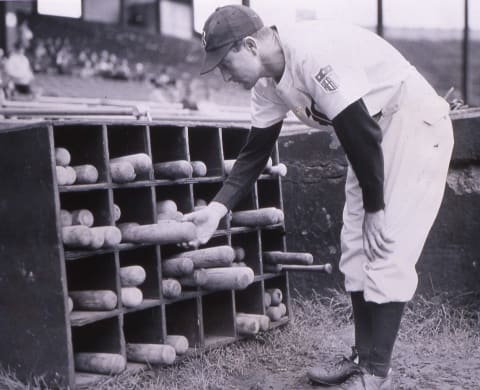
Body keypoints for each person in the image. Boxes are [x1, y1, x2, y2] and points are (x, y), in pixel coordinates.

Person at [182, 5, 454, 389]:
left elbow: (360, 129)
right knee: (355, 245)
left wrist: (376, 208)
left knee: (387, 243)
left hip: (411, 121)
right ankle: (362, 358)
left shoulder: (311, 51)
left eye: (225, 63)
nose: (225, 76)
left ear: (248, 45)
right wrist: (216, 209)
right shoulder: (266, 87)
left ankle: (377, 374)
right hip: (373, 136)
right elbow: (254, 153)